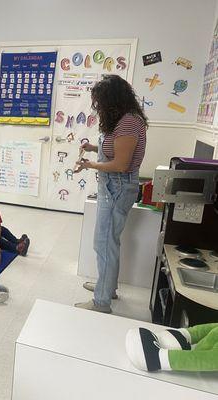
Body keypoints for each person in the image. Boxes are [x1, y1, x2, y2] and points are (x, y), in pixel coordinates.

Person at [74, 75, 147, 314]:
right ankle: (108, 287)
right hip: (114, 186)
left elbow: (120, 165)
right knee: (108, 242)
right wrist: (94, 148)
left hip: (117, 185)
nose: (98, 106)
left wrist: (90, 165)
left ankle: (101, 302)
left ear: (112, 99)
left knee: (104, 243)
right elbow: (114, 149)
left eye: (100, 101)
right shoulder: (126, 120)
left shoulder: (127, 123)